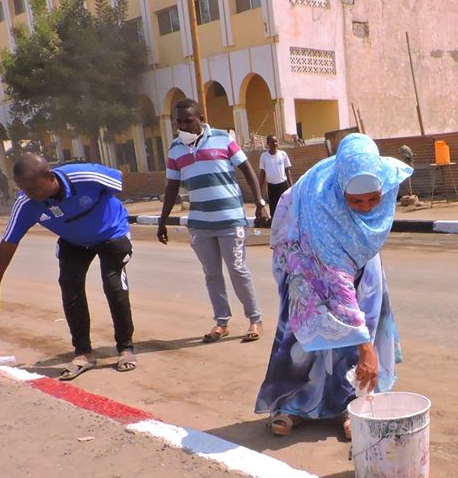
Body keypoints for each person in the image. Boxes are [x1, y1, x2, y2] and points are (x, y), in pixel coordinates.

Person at [255, 133, 412, 437]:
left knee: (364, 316)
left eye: (373, 199)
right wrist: (366, 348)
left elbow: (370, 216)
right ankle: (293, 403)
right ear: (341, 191)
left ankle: (352, 404)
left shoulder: (384, 177)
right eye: (356, 201)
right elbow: (339, 290)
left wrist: (365, 346)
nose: (367, 208)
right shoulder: (321, 206)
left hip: (363, 259)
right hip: (309, 255)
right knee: (307, 327)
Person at [0, 153, 137, 379]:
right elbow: (8, 243)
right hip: (74, 241)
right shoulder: (27, 203)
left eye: (32, 188)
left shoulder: (84, 175)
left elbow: (119, 179)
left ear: (50, 177)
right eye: (23, 189)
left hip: (111, 233)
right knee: (70, 286)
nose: (27, 194)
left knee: (113, 285)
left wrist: (114, 209)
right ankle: (83, 353)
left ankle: (125, 348)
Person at [158, 98, 268, 344]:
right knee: (212, 274)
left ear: (200, 119)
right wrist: (162, 220)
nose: (183, 125)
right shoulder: (175, 148)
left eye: (188, 120)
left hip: (230, 219)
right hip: (200, 223)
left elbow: (248, 169)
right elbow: (172, 186)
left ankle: (254, 319)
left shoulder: (223, 138)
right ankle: (222, 323)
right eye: (179, 121)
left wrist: (260, 203)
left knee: (238, 270)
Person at [258, 134, 293, 219]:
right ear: (268, 143)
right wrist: (259, 189)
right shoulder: (264, 156)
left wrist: (291, 186)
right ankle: (274, 228)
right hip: (271, 187)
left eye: (276, 141)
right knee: (273, 208)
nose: (274, 143)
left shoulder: (283, 154)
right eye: (272, 142)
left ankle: (286, 227)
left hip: (283, 185)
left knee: (285, 207)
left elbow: (287, 170)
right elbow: (262, 173)